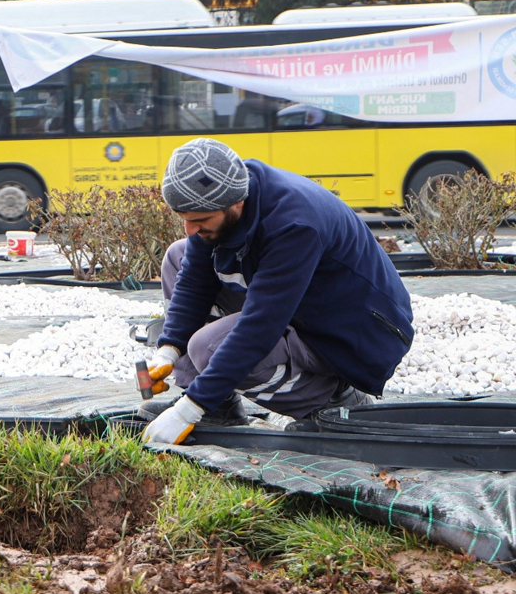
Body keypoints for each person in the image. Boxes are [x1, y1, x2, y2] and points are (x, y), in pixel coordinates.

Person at [138, 138, 414, 445]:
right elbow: (194, 278)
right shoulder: (232, 191)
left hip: (356, 333)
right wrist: (169, 349)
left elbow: (259, 328)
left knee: (209, 347)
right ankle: (218, 407)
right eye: (185, 220)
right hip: (303, 307)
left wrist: (187, 412)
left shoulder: (293, 224)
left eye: (200, 220)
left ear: (236, 203)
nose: (191, 229)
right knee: (178, 256)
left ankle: (333, 401)